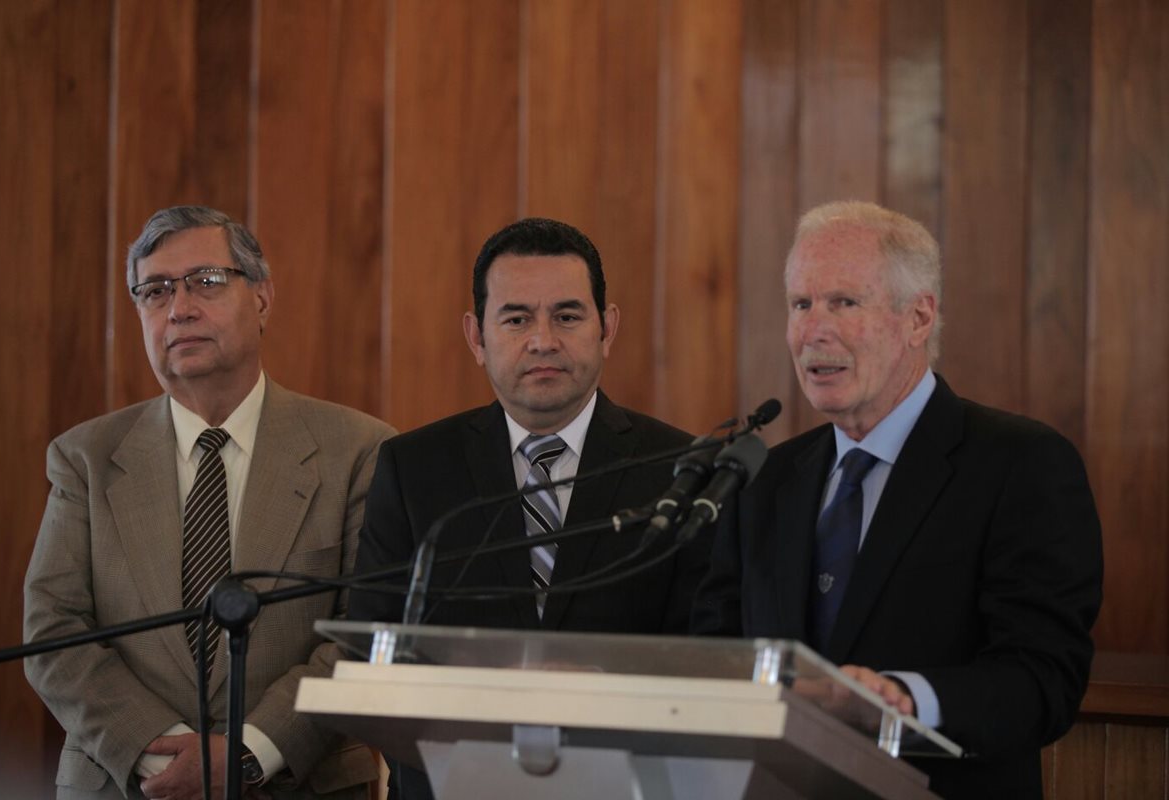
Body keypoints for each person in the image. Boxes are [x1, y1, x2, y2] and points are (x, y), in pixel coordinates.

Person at [692, 201, 1103, 799]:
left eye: (844, 302)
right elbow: (717, 652)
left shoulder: (1021, 465)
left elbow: (1044, 679)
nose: (813, 329)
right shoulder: (766, 478)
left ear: (918, 318)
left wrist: (904, 700)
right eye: (801, 304)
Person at [23, 206, 396, 799]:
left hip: (303, 782)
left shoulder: (360, 450)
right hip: (127, 784)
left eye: (206, 281)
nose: (180, 308)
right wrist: (162, 752)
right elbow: (52, 631)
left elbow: (368, 632)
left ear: (264, 299)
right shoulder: (85, 458)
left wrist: (249, 752)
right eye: (156, 291)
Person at [349, 217, 710, 799]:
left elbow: (709, 651)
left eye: (567, 316)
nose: (543, 339)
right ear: (477, 337)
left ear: (607, 329)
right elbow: (373, 644)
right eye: (516, 318)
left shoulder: (682, 469)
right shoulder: (414, 468)